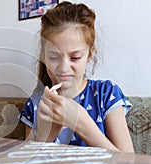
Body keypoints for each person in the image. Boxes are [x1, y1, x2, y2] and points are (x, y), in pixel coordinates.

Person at [19, 1, 135, 153]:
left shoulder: (106, 94)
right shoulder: (34, 104)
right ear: (43, 56)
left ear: (89, 55)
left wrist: (81, 123)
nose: (64, 67)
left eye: (75, 58)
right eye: (54, 57)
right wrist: (44, 135)